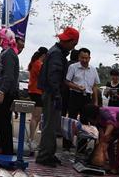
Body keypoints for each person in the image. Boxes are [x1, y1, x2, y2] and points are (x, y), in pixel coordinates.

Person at [36, 26, 79, 167]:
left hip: (51, 92)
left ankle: (49, 153)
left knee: (53, 125)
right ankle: (44, 156)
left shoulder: (57, 52)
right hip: (52, 93)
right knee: (50, 125)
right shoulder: (56, 54)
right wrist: (56, 95)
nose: (72, 46)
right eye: (71, 43)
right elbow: (53, 76)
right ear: (71, 42)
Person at [80, 103, 119, 174]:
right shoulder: (98, 119)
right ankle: (112, 165)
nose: (90, 121)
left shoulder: (104, 112)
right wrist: (101, 141)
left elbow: (111, 123)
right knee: (109, 143)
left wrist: (105, 136)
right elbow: (101, 130)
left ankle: (116, 168)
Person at [0, 27, 20, 156]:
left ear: (3, 39)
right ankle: (1, 146)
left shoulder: (9, 54)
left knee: (4, 122)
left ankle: (6, 150)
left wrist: (1, 92)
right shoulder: (5, 52)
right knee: (0, 121)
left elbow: (9, 76)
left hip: (6, 94)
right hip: (1, 92)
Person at [64, 47, 99, 121]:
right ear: (78, 57)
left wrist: (95, 102)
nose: (84, 60)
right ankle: (71, 132)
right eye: (82, 58)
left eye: (86, 58)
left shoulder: (93, 69)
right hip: (75, 96)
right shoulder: (73, 67)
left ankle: (83, 132)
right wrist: (77, 87)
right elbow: (67, 81)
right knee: (72, 119)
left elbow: (95, 86)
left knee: (86, 119)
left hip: (87, 98)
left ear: (89, 58)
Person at [26, 47, 47, 150]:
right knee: (36, 116)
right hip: (37, 91)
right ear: (44, 55)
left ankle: (31, 138)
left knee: (36, 117)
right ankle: (31, 138)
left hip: (33, 91)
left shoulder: (34, 62)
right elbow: (43, 77)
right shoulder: (39, 64)